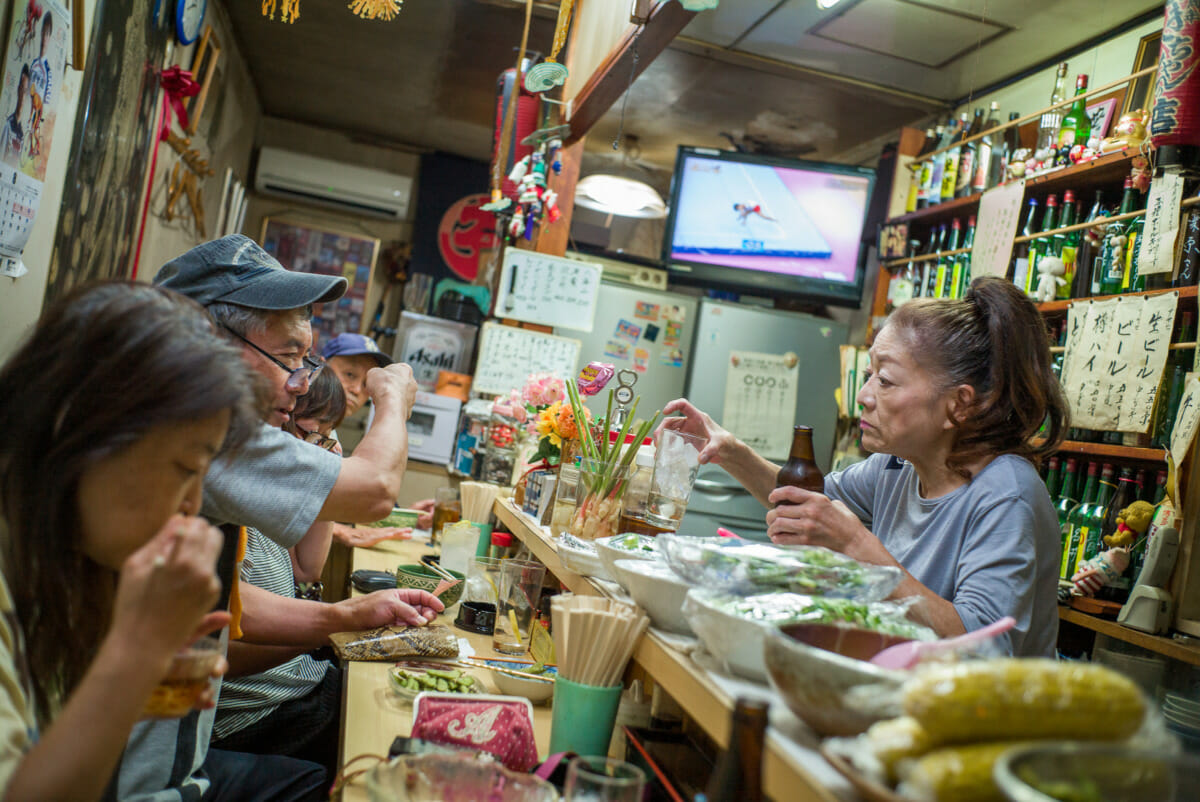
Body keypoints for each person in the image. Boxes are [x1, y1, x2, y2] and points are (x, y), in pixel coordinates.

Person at [106, 235, 440, 802]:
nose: (301, 381)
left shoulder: (157, 418)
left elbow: (227, 601)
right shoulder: (195, 427)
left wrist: (345, 613)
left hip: (159, 757)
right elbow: (376, 489)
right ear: (204, 340)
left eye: (303, 360)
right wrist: (392, 398)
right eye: (287, 358)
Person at [0, 282, 314, 802]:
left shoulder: (63, 559)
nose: (193, 507)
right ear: (81, 427)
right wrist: (137, 652)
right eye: (185, 470)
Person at [662, 277, 1067, 657]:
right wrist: (729, 450)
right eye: (869, 374)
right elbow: (806, 503)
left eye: (885, 381)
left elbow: (983, 648)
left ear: (958, 404)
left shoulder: (1007, 495)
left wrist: (856, 545)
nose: (863, 396)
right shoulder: (896, 468)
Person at [213, 370, 434, 775]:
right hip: (259, 708)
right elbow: (225, 640)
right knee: (398, 746)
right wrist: (339, 626)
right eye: (305, 428)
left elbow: (306, 568)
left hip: (291, 683)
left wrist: (324, 460)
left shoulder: (263, 481)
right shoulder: (237, 460)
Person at [320, 332, 434, 547]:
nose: (356, 390)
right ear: (321, 366)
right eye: (350, 375)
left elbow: (332, 499)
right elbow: (284, 502)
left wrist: (406, 518)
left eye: (366, 384)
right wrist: (343, 532)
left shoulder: (330, 431)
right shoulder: (300, 424)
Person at [3, 66, 29, 164]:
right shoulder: (8, 126)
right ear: (18, 90)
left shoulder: (22, 133)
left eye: (25, 91)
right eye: (22, 89)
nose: (23, 95)